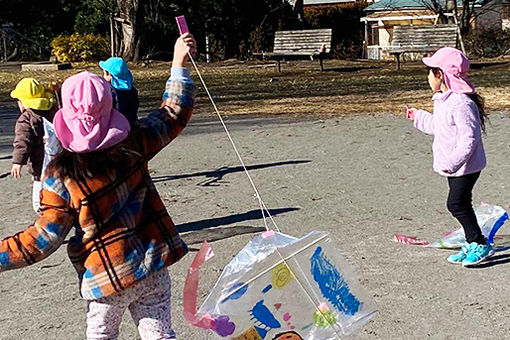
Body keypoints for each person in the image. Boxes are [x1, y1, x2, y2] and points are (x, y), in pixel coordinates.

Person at [0, 33, 197, 339]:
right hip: (151, 266)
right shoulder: (135, 142)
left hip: (106, 277)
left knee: (102, 335)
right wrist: (177, 63)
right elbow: (173, 114)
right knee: (160, 334)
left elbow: (42, 239)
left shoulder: (60, 175)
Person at [406, 47, 491, 267]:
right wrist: (418, 116)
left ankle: (479, 243)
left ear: (440, 75)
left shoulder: (461, 103)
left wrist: (453, 163)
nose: (427, 78)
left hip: (466, 166)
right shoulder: (444, 100)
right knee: (460, 203)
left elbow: (468, 140)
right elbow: (439, 127)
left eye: (429, 72)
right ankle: (473, 241)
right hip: (453, 166)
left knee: (456, 204)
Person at [10, 78, 58, 212]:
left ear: (23, 103)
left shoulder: (25, 119)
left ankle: (46, 219)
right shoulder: (52, 112)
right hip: (57, 159)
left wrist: (18, 161)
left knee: (38, 201)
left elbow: (22, 141)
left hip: (39, 165)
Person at [99, 56, 139, 125]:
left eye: (104, 73)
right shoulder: (132, 90)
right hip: (130, 123)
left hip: (115, 126)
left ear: (109, 75)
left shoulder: (109, 92)